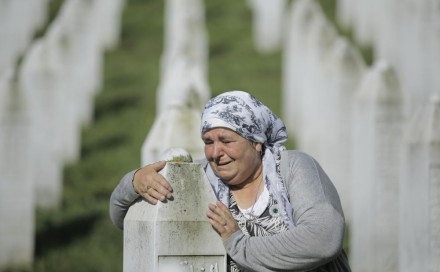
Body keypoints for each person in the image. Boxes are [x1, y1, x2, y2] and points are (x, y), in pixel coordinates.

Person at [110, 90, 351, 271]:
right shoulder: (198, 179)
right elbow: (129, 223)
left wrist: (238, 244)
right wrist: (133, 182)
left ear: (255, 141)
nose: (215, 153)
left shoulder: (293, 167)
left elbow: (324, 238)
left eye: (226, 141)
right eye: (208, 142)